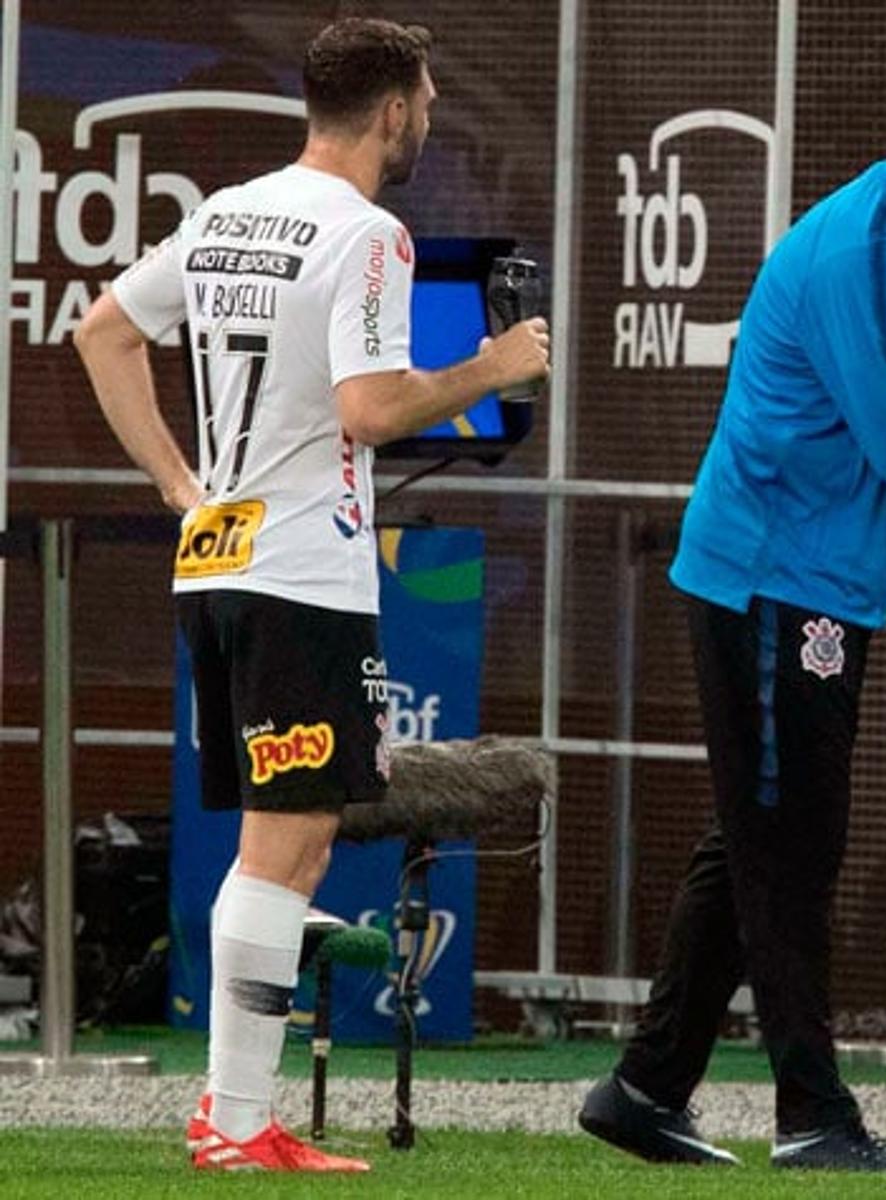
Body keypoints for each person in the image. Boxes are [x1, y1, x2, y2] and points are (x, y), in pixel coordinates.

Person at [73, 18, 551, 1173]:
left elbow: (102, 330)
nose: (428, 118)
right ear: (392, 110)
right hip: (299, 574)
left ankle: (236, 1119)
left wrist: (181, 485)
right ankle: (234, 1124)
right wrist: (493, 368)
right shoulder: (371, 237)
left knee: (283, 843)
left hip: (219, 562)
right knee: (287, 847)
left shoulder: (230, 208)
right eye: (426, 100)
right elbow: (370, 412)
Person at [575, 56, 886, 1176]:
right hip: (770, 583)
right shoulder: (854, 255)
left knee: (759, 836)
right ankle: (814, 1117)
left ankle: (643, 1089)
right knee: (788, 851)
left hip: (833, 581)